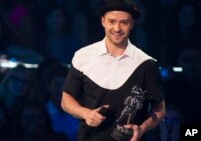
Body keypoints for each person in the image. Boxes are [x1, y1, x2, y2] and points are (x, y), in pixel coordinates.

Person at [61, 0, 165, 141]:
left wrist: (142, 129)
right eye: (112, 21)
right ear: (103, 21)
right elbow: (66, 100)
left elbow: (159, 108)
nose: (117, 28)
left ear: (132, 24)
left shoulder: (146, 63)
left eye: (124, 22)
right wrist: (86, 113)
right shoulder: (83, 56)